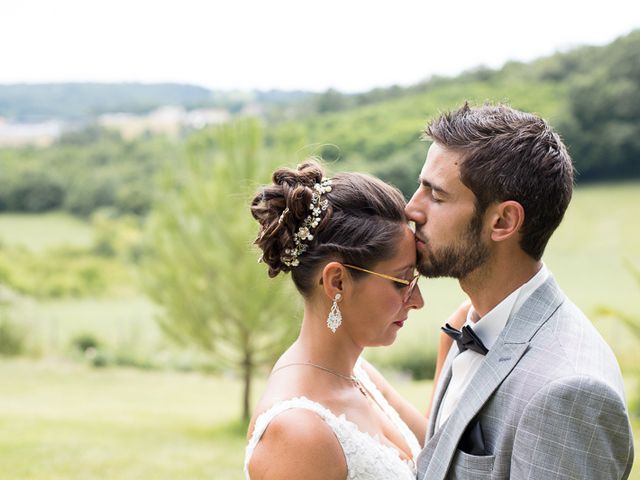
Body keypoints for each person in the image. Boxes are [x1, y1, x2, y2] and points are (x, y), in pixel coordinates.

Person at [406, 103, 635, 479]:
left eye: (437, 195)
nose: (411, 209)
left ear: (503, 221)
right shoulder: (472, 320)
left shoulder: (569, 391)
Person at [244, 160, 463, 480]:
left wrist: (452, 339)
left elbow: (436, 454)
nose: (417, 301)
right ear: (338, 282)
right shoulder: (297, 432)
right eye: (402, 282)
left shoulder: (361, 376)